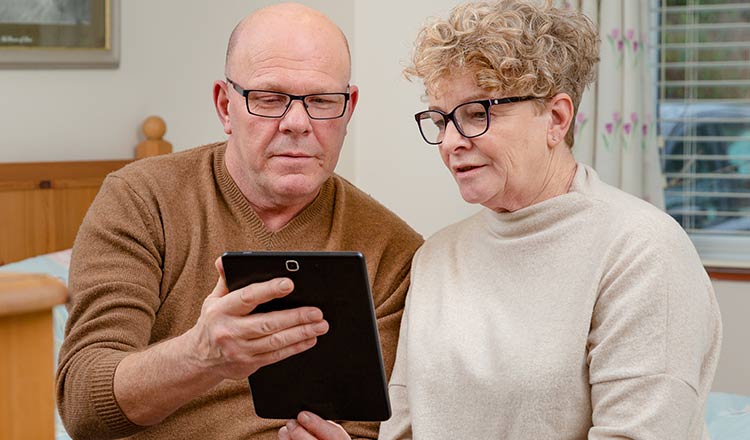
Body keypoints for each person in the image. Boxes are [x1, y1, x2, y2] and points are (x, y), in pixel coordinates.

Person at [282, 1, 723, 439]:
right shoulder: (437, 256)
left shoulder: (642, 250)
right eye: (441, 120)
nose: (451, 141)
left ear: (556, 118)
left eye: (478, 114)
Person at [55, 3, 422, 439]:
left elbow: (371, 426)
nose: (298, 123)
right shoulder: (142, 199)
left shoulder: (392, 249)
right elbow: (82, 404)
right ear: (225, 106)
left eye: (322, 101)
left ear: (348, 109)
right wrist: (200, 355)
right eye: (270, 99)